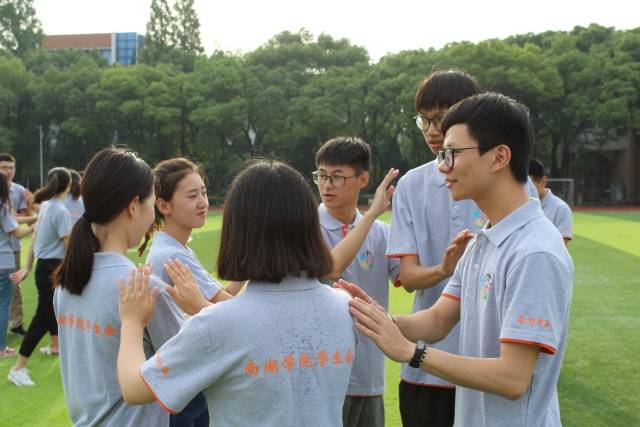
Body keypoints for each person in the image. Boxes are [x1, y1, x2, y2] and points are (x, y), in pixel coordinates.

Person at [343, 93, 573, 427]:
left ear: (498, 157)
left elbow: (512, 379)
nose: (441, 165)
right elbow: (437, 320)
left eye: (451, 153)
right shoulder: (482, 240)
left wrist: (412, 353)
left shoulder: (534, 251)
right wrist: (369, 318)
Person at [117, 159, 357, 426]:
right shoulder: (345, 307)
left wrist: (131, 321)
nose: (202, 201)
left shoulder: (217, 323)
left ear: (237, 229)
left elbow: (134, 388)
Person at [51, 148, 184, 425]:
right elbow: (191, 363)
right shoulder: (143, 287)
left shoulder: (66, 282)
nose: (153, 216)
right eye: (152, 202)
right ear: (134, 206)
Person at [385, 69, 483, 427]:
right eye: (424, 120)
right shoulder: (412, 185)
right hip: (427, 364)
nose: (431, 130)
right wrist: (443, 269)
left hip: (486, 361)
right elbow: (407, 277)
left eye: (440, 119)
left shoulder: (502, 182)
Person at [141, 157, 234, 426]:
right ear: (163, 205)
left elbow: (218, 297)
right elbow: (227, 309)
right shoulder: (171, 255)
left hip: (182, 378)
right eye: (192, 195)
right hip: (184, 382)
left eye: (203, 192)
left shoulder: (175, 249)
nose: (203, 201)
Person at [314, 136, 400, 427]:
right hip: (324, 373)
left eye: (337, 177)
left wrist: (444, 266)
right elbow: (329, 269)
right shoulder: (307, 227)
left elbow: (408, 279)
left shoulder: (381, 233)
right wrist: (373, 212)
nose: (327, 185)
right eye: (322, 176)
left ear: (363, 179)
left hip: (370, 373)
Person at [7, 167, 73, 385]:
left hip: (43, 267)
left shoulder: (45, 207)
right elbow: (68, 246)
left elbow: (35, 240)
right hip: (53, 268)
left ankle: (55, 346)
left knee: (52, 309)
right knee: (42, 317)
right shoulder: (60, 211)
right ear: (69, 186)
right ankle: (18, 368)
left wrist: (27, 267)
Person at [0, 153, 37, 337]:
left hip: (12, 247)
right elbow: (13, 220)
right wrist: (38, 219)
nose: (9, 171)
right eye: (4, 167)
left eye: (11, 167)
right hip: (6, 245)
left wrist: (31, 208)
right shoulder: (4, 195)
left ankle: (16, 324)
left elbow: (23, 217)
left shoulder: (19, 190)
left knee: (14, 288)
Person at [528, 159, 573, 244]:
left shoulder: (560, 209)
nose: (525, 190)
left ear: (543, 181)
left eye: (529, 185)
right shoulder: (519, 206)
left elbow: (561, 248)